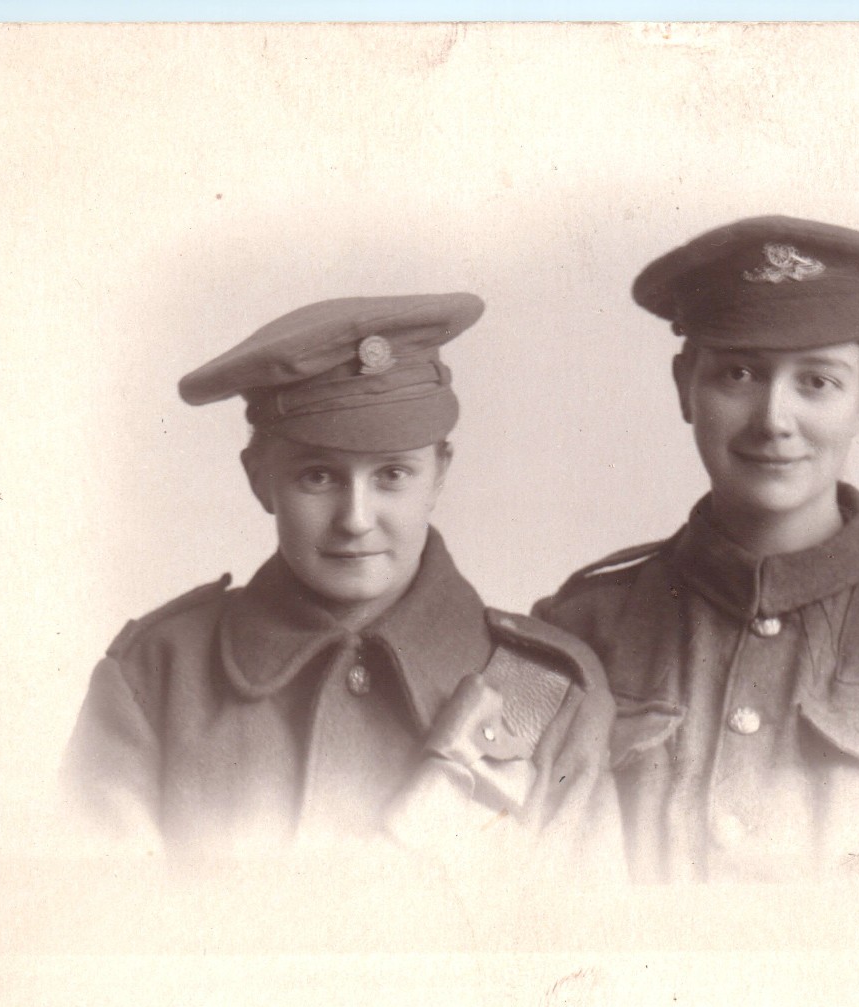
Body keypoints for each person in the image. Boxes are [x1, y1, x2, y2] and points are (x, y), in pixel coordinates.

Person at [535, 217, 859, 883]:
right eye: (738, 373)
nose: (774, 419)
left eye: (817, 381)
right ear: (684, 387)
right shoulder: (575, 635)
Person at [63, 292, 621, 873]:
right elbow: (101, 933)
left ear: (439, 476)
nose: (356, 518)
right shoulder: (156, 676)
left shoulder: (551, 694)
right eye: (319, 475)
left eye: (392, 475)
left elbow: (579, 946)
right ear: (260, 480)